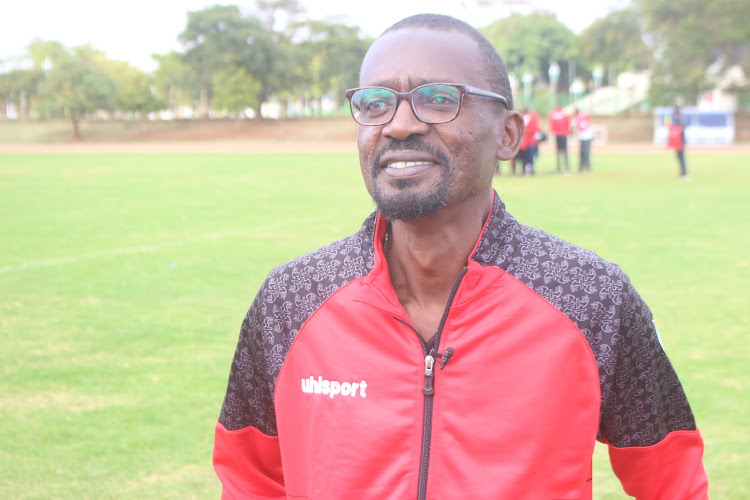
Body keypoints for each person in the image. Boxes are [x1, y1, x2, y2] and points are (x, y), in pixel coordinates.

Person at [213, 14, 709, 499]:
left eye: (437, 99)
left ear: (508, 135)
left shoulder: (592, 298)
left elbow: (674, 482)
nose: (399, 125)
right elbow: (248, 478)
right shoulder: (290, 300)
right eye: (375, 102)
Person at [515, 106, 540, 175]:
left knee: (529, 157)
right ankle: (526, 170)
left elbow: (533, 130)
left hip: (529, 142)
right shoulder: (525, 118)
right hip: (525, 143)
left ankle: (529, 170)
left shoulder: (530, 118)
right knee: (525, 157)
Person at [667, 107, 689, 179]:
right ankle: (682, 172)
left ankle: (684, 173)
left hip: (681, 143)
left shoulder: (681, 120)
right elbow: (669, 126)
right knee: (678, 158)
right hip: (677, 143)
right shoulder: (675, 121)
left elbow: (683, 126)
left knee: (682, 158)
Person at [549, 104, 571, 174]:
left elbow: (552, 126)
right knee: (565, 152)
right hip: (563, 135)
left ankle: (558, 169)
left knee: (558, 152)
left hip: (557, 135)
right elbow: (567, 124)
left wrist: (554, 132)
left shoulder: (553, 115)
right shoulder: (564, 114)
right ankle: (567, 168)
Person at [571, 107, 594, 172]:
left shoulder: (581, 117)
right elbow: (573, 126)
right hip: (582, 137)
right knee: (582, 152)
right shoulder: (578, 117)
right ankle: (581, 167)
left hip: (587, 136)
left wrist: (576, 129)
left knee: (586, 152)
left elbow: (583, 126)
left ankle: (587, 167)